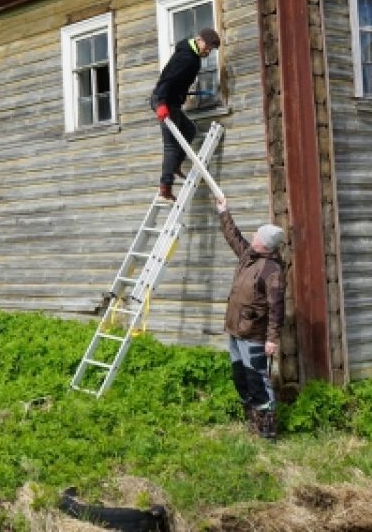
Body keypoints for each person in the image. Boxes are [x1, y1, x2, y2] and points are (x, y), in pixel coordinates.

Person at [216, 197, 286, 441]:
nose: (253, 237)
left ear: (265, 245)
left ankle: (268, 428)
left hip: (254, 334)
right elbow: (233, 238)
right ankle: (252, 420)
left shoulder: (272, 271)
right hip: (237, 330)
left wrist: (272, 339)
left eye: (257, 236)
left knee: (258, 380)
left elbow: (277, 307)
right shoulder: (250, 256)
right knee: (240, 377)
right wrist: (224, 211)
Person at [150, 27, 221, 200]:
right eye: (208, 47)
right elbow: (167, 79)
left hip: (172, 101)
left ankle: (175, 165)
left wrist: (182, 93)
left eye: (211, 49)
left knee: (189, 130)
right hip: (165, 102)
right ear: (199, 40)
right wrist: (160, 102)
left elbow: (177, 81)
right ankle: (165, 188)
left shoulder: (192, 57)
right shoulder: (186, 57)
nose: (208, 51)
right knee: (171, 145)